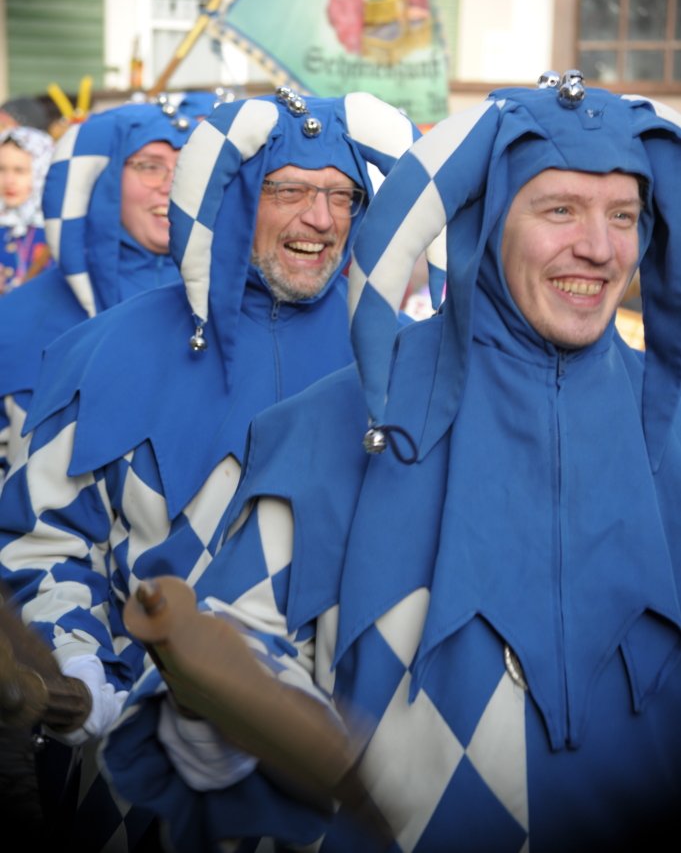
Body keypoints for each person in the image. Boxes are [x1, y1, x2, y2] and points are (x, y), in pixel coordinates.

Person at [103, 77, 681, 852]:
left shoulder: (668, 421)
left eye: (622, 215)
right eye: (559, 210)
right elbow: (237, 650)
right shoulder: (335, 421)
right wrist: (233, 714)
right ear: (485, 222)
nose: (600, 248)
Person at [0, 89, 420, 847]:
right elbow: (45, 540)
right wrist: (78, 664)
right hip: (135, 776)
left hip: (338, 787)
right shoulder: (105, 350)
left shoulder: (412, 370)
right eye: (288, 189)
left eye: (340, 194)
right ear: (230, 198)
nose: (320, 219)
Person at [0, 103, 195, 482]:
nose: (172, 184)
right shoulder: (19, 316)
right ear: (104, 177)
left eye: (188, 166)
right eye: (150, 165)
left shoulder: (242, 307)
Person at [0, 127, 54, 293]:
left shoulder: (57, 229)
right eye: (1, 169)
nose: (9, 181)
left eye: (20, 170)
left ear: (41, 171)